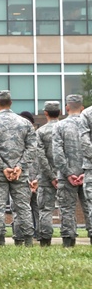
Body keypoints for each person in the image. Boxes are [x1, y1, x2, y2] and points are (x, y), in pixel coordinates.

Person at [0, 90, 37, 246]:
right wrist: (19, 167)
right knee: (23, 207)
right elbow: (32, 148)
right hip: (20, 173)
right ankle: (28, 240)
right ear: (11, 103)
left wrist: (2, 167)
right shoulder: (25, 123)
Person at [56, 95, 85, 247]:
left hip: (67, 177)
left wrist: (68, 173)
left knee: (67, 209)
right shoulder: (89, 125)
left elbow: (58, 153)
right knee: (90, 207)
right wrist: (85, 172)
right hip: (88, 174)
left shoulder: (59, 126)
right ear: (82, 107)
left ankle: (68, 241)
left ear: (67, 108)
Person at [34, 101, 61, 246]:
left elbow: (40, 156)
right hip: (68, 176)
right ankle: (70, 238)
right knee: (68, 209)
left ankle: (45, 240)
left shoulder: (41, 132)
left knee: (45, 209)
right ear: (60, 111)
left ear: (45, 113)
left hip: (46, 178)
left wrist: (51, 176)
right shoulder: (70, 128)